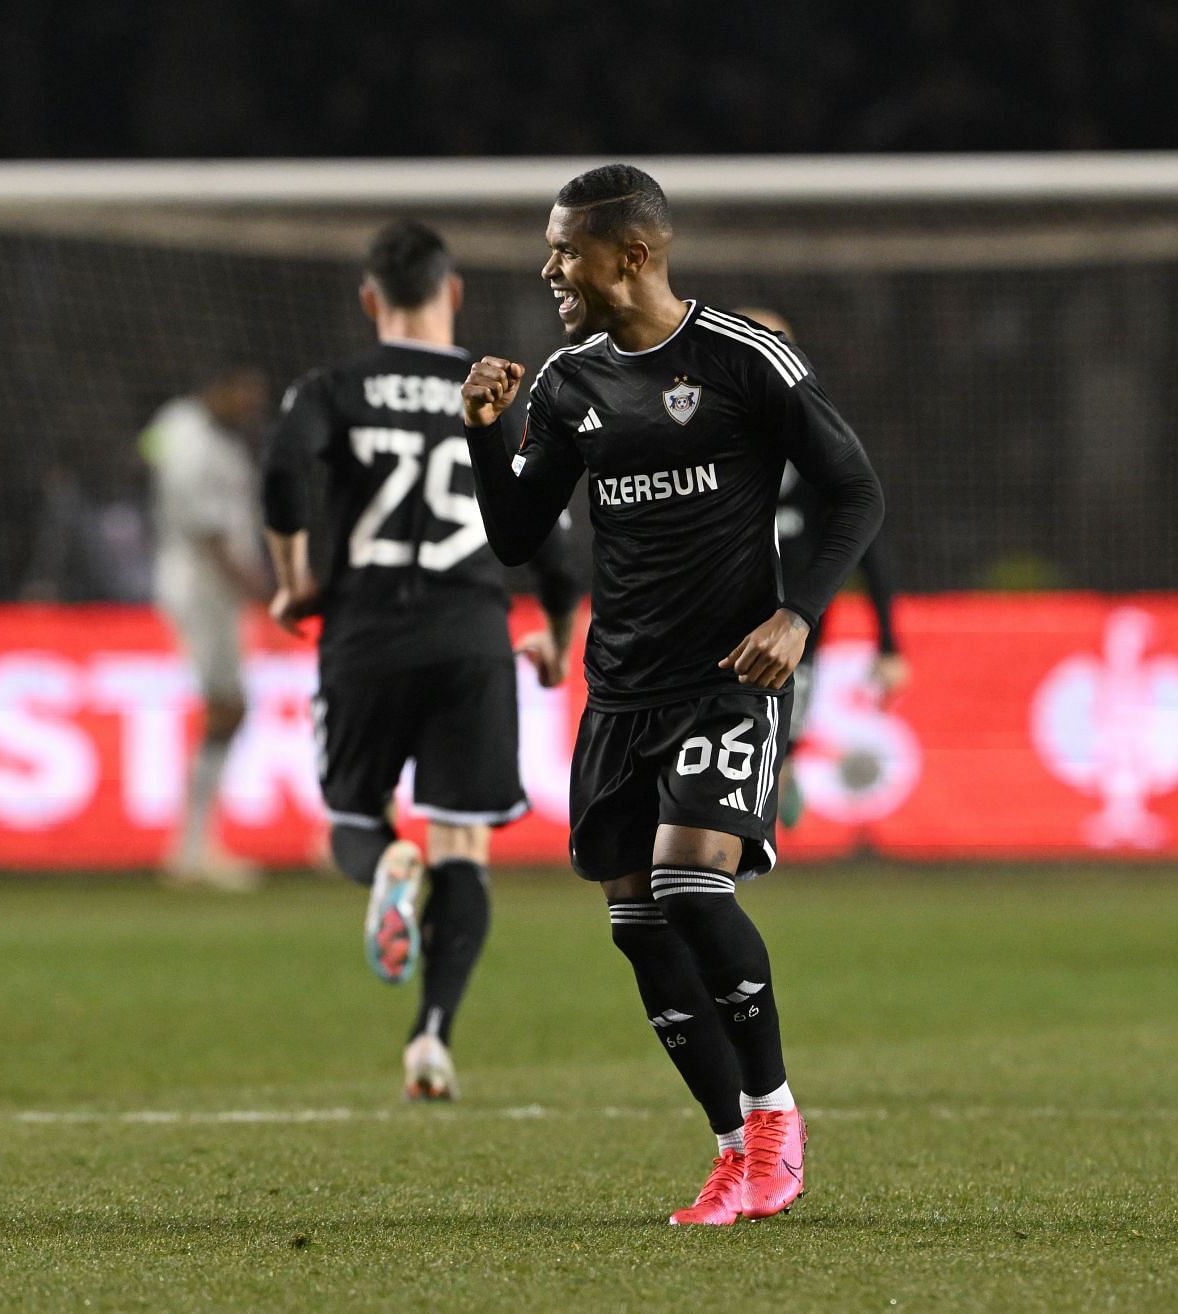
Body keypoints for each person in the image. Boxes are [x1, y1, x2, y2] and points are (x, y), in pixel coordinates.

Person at [459, 166, 883, 1223]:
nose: (549, 268)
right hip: (620, 694)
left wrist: (798, 616)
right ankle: (733, 1147)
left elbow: (854, 491)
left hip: (724, 680)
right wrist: (482, 435)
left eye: (566, 251)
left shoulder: (744, 360)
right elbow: (517, 536)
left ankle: (778, 1118)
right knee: (638, 925)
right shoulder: (566, 385)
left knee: (693, 885)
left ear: (632, 256)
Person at [262, 220, 581, 1100]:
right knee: (464, 846)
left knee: (355, 822)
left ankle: (386, 867)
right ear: (455, 294)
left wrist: (293, 580)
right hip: (469, 634)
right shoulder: (497, 388)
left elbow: (284, 469)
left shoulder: (333, 386)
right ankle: (432, 1037)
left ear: (371, 301)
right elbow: (553, 532)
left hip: (364, 631)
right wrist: (556, 629)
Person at [734, 308, 908, 827]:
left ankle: (772, 791)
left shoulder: (818, 432)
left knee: (778, 736)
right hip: (716, 608)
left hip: (794, 617)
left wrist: (890, 643)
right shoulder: (694, 423)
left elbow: (865, 531)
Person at [142, 365, 271, 890]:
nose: (253, 407)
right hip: (201, 589)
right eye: (247, 394)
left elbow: (146, 450)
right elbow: (211, 533)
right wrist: (262, 590)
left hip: (203, 586)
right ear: (220, 386)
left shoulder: (180, 428)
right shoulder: (197, 443)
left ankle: (193, 845)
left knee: (228, 708)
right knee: (227, 707)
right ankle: (192, 849)